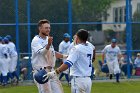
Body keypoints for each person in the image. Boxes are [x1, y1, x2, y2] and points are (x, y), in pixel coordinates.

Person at [45, 29, 95, 93]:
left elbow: (68, 63)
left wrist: (55, 72)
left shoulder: (76, 48)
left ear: (78, 37)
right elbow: (93, 48)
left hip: (78, 80)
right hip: (88, 80)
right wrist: (93, 59)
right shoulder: (89, 47)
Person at [31, 19, 66, 93]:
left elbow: (52, 53)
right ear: (40, 28)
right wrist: (49, 44)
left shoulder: (47, 39)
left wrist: (65, 56)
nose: (48, 30)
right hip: (41, 72)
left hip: (51, 71)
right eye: (46, 28)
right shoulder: (36, 40)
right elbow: (42, 53)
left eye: (49, 28)